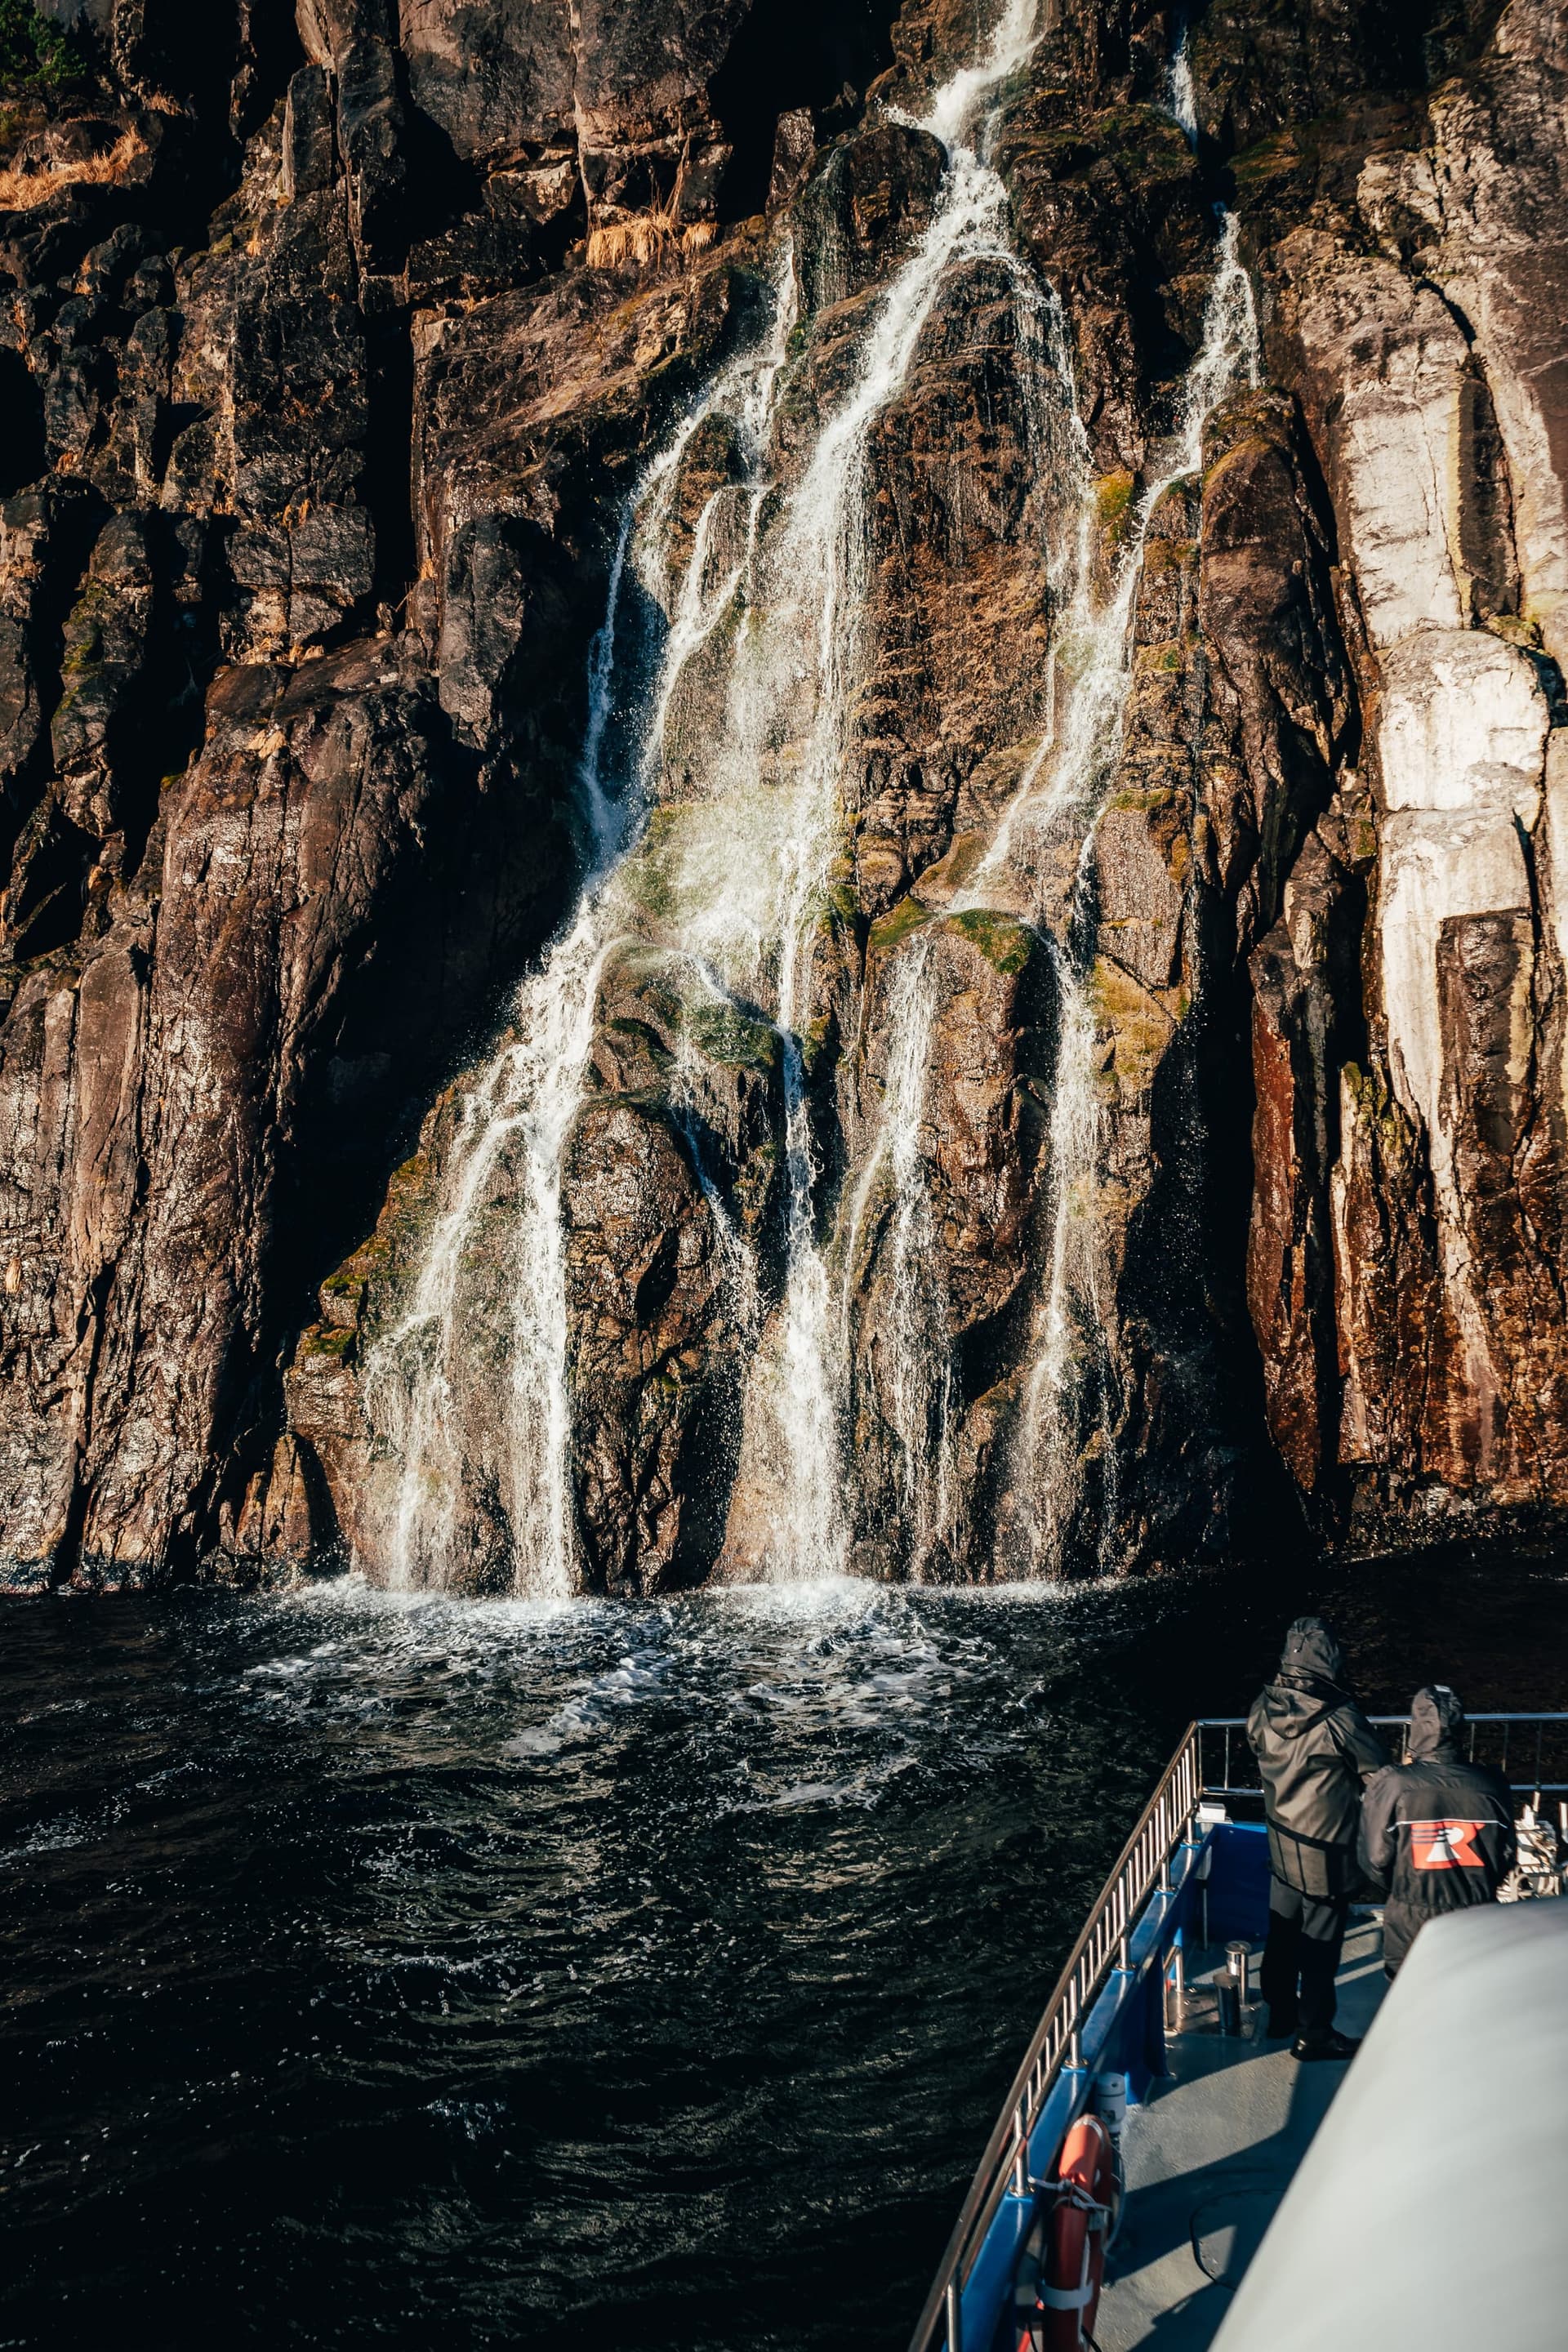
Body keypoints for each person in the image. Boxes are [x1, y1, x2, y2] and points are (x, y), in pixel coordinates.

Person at [1246, 1616, 1388, 2060]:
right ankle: (1315, 2034)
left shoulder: (1263, 1706)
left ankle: (1280, 2014)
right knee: (1322, 1950)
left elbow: (1256, 1744)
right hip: (1327, 1852)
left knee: (1282, 1933)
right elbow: (1378, 1775)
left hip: (1282, 1844)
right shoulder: (1340, 1718)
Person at [1357, 1684, 1516, 1977]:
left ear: (1417, 1725)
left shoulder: (1394, 1784)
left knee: (1408, 1995)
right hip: (1476, 1913)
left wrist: (1402, 1889)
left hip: (1411, 1915)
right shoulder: (1492, 1784)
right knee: (1468, 1988)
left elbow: (1374, 1857)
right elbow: (1506, 1855)